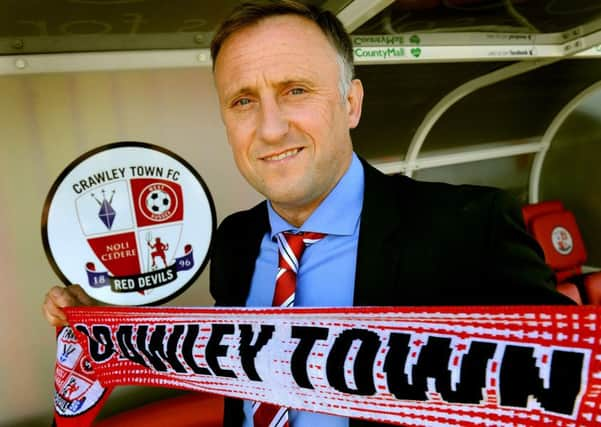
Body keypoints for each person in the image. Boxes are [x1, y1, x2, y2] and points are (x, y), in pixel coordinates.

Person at [44, 1, 572, 426]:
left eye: (295, 90)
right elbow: (222, 357)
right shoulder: (234, 241)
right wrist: (100, 319)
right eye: (243, 101)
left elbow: (566, 388)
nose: (270, 128)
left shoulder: (470, 227)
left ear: (350, 104)